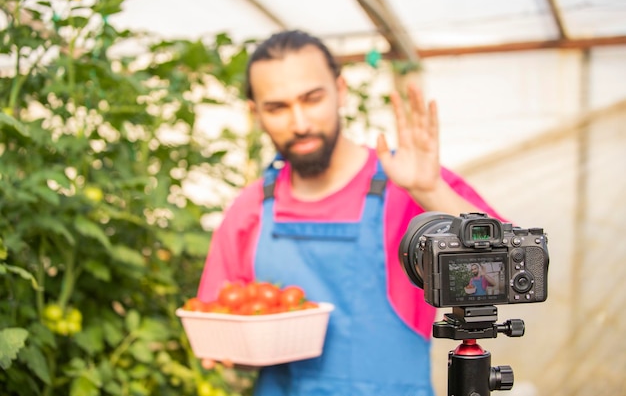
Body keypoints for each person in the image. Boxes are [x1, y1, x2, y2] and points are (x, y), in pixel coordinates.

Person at [196, 29, 502, 396]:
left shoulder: (407, 185)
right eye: (277, 107)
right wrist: (237, 349)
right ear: (256, 113)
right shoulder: (250, 207)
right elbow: (224, 325)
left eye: (312, 99)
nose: (300, 123)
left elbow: (511, 269)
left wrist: (430, 190)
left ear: (340, 90)